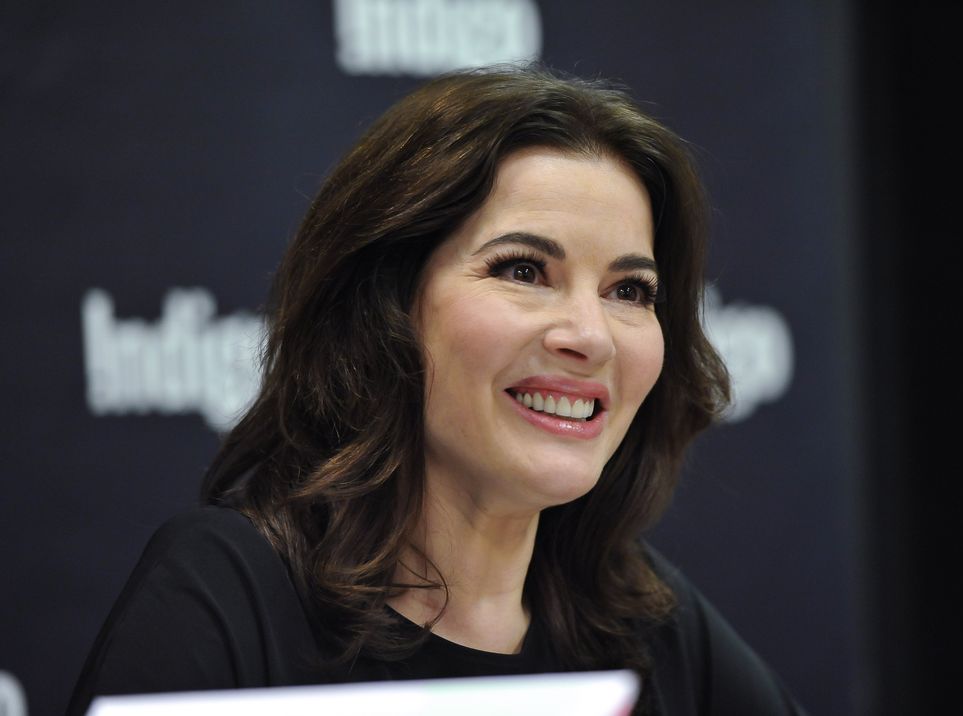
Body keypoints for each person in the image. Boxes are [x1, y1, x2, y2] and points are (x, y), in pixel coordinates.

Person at [67, 66, 806, 716]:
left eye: (630, 289)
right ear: (383, 308)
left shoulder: (643, 619)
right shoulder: (232, 592)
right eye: (523, 271)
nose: (593, 335)